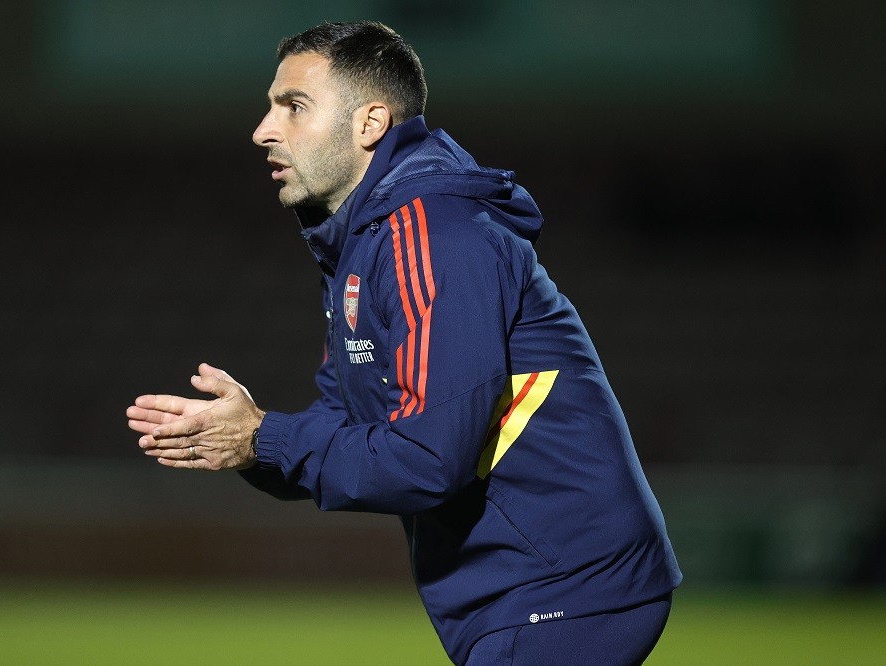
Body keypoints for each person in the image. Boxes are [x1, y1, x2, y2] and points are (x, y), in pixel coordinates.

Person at [126, 20, 682, 665]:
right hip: (514, 595)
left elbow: (425, 459)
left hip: (566, 590)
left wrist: (263, 436)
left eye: (293, 106)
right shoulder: (366, 248)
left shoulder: (436, 238)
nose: (263, 130)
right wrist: (247, 445)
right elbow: (349, 428)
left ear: (369, 124)